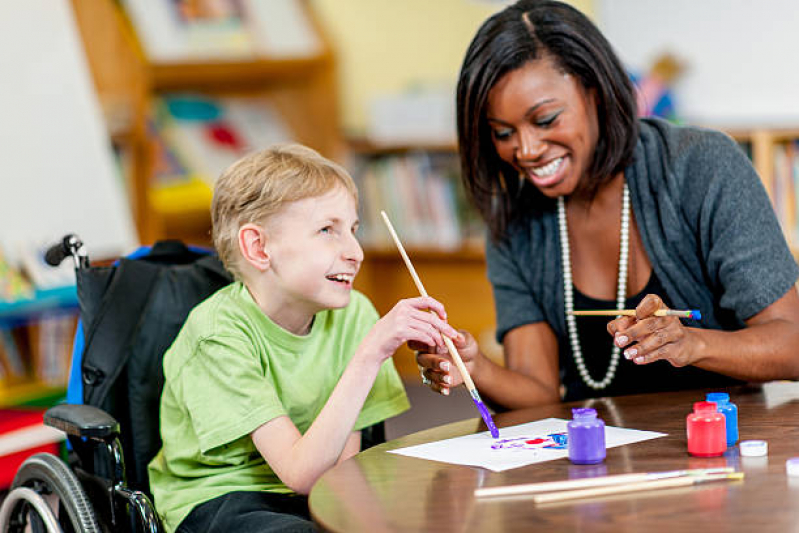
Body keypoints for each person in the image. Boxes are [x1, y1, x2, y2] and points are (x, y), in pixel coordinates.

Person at [415, 0, 799, 407]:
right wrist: (475, 367)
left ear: (595, 92)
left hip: (720, 449)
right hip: (593, 457)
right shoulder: (515, 218)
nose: (525, 150)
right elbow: (538, 391)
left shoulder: (701, 166)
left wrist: (692, 344)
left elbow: (792, 344)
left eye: (545, 120)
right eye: (503, 132)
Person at [147, 144, 461, 533]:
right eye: (328, 230)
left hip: (315, 487)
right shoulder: (217, 334)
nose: (356, 252)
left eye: (353, 229)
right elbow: (302, 475)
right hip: (223, 497)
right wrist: (370, 355)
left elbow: (339, 475)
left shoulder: (355, 314)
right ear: (258, 247)